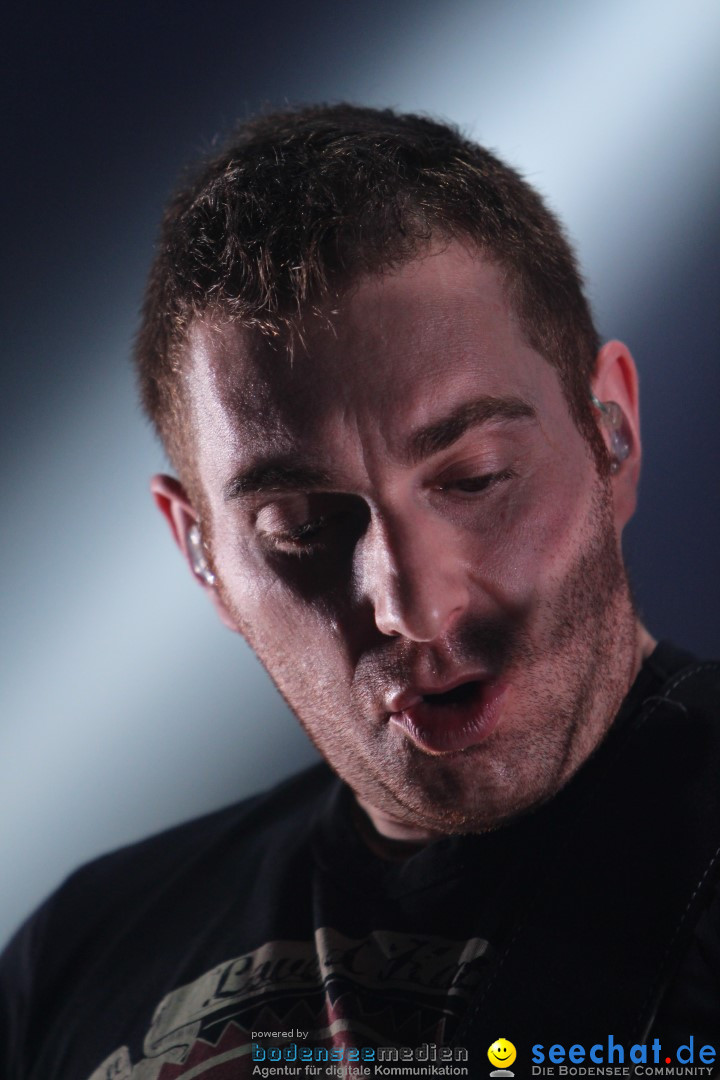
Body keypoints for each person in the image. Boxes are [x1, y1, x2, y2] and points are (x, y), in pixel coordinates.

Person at [2, 104, 719, 1080]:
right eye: (300, 528)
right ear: (201, 553)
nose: (414, 607)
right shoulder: (77, 956)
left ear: (613, 436)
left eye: (475, 479)